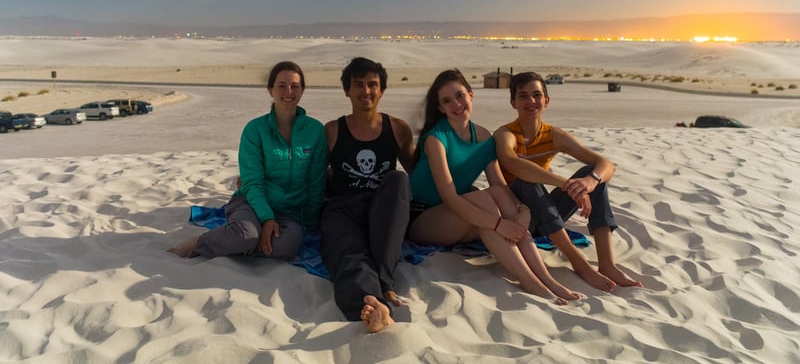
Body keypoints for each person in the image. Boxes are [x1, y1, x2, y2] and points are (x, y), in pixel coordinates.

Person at [406, 69, 583, 304]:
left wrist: (523, 211)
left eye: (460, 96)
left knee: (495, 195)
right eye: (447, 101)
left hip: (461, 219)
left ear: (471, 95)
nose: (456, 105)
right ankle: (528, 280)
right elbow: (450, 198)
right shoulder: (436, 139)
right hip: (423, 219)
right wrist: (499, 224)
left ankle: (545, 278)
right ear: (440, 108)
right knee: (483, 201)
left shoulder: (483, 138)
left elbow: (499, 185)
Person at [494, 71, 643, 292]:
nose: (531, 101)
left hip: (545, 216)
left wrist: (589, 183)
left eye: (536, 95)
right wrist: (564, 183)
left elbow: (605, 164)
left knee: (592, 173)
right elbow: (512, 163)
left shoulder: (554, 135)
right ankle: (579, 263)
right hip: (516, 217)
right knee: (528, 182)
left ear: (546, 100)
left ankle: (607, 263)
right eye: (523, 96)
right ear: (513, 102)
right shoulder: (506, 134)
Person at [168, 61, 328, 261]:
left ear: (302, 90)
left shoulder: (315, 131)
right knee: (247, 234)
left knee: (288, 245)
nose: (289, 91)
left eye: (295, 86)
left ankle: (242, 243)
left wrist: (310, 223)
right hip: (251, 202)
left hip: (289, 212)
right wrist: (267, 218)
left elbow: (315, 182)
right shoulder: (255, 130)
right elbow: (252, 182)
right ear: (270, 90)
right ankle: (200, 243)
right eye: (282, 85)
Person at [320, 57, 416, 333]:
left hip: (382, 208)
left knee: (398, 179)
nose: (366, 91)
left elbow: (416, 174)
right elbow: (312, 174)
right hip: (343, 208)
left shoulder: (398, 129)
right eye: (358, 85)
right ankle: (370, 306)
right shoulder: (333, 130)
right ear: (347, 91)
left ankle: (385, 283)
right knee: (350, 253)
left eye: (372, 84)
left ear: (382, 90)